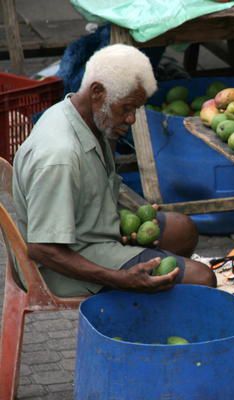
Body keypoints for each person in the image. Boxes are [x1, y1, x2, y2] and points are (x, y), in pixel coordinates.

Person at [12, 44, 216, 297]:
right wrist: (120, 278)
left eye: (135, 110)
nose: (131, 120)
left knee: (182, 229)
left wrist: (121, 222)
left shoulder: (83, 116)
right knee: (201, 278)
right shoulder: (59, 156)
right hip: (57, 266)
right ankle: (143, 316)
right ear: (97, 92)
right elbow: (42, 249)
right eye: (126, 108)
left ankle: (150, 311)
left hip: (87, 232)